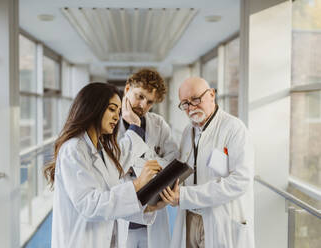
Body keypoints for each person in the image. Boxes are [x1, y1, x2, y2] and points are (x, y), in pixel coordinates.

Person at [44, 82, 163, 248]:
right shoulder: (73, 149)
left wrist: (149, 207)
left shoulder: (103, 152)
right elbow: (91, 205)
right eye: (112, 109)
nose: (117, 116)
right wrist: (137, 184)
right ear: (94, 108)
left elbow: (111, 204)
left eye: (119, 111)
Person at [161, 77, 255, 248]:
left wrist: (184, 196)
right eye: (185, 103)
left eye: (196, 99)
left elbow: (240, 181)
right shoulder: (188, 131)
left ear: (212, 94)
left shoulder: (234, 129)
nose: (191, 107)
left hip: (220, 219)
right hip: (190, 218)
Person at [118, 68, 178, 248]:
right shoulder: (109, 124)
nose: (143, 105)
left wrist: (133, 163)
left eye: (149, 102)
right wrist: (149, 163)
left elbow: (172, 165)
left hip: (153, 215)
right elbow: (111, 168)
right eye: (139, 96)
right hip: (121, 219)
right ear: (127, 88)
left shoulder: (158, 124)